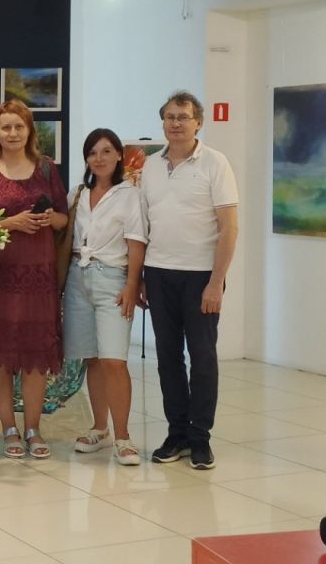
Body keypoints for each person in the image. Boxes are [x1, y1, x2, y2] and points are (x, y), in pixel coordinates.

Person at [0, 100, 68, 460]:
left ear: (29, 131)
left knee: (36, 354)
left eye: (19, 127)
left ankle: (33, 428)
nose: (12, 133)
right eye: (5, 127)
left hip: (39, 278)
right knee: (0, 356)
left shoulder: (46, 168)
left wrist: (48, 219)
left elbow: (64, 219)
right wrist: (10, 223)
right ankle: (9, 427)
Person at [142, 91, 238, 470]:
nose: (176, 123)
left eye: (183, 117)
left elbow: (229, 228)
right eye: (169, 117)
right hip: (158, 273)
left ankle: (200, 438)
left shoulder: (215, 163)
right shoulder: (150, 166)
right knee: (167, 359)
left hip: (201, 277)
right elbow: (145, 224)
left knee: (202, 359)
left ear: (198, 122)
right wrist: (143, 278)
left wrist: (216, 282)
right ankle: (177, 434)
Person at [63, 128, 146, 466]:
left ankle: (123, 437)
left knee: (114, 360)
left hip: (112, 278)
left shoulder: (130, 195)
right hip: (77, 278)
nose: (99, 158)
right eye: (93, 152)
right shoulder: (77, 194)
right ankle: (100, 429)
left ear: (119, 156)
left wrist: (132, 284)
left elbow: (136, 242)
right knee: (92, 358)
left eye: (106, 151)